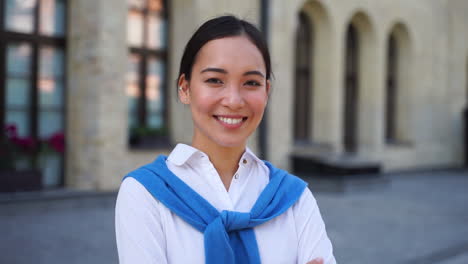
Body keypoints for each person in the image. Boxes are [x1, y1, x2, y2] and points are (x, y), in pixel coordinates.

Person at [115, 15, 336, 264]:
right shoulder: (145, 194)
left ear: (267, 91)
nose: (233, 100)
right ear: (184, 88)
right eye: (214, 80)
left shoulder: (294, 199)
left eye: (251, 83)